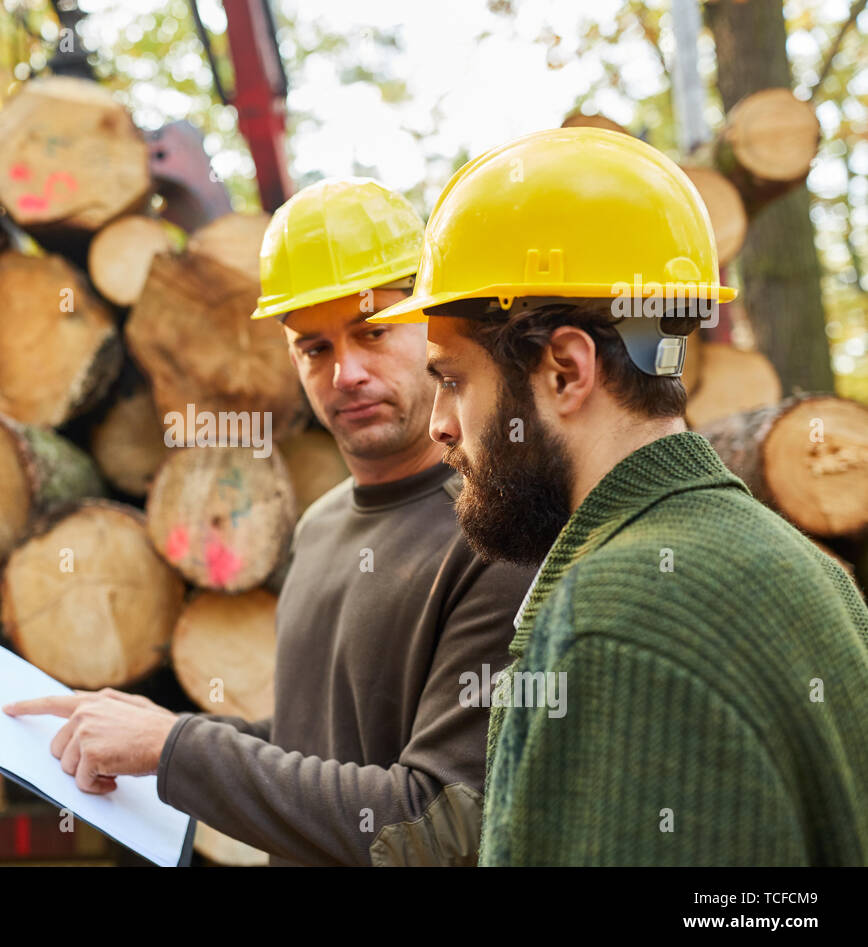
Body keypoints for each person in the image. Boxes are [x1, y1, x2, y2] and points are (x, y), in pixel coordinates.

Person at [370, 127, 868, 865]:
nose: (439, 424)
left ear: (566, 371)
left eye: (452, 380)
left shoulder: (615, 619)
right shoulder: (807, 567)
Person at [5, 178, 536, 865]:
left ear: (433, 327)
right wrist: (158, 734)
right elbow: (318, 746)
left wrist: (176, 749)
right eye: (314, 348)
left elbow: (436, 819)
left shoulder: (498, 534)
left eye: (372, 332)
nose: (345, 372)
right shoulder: (317, 526)